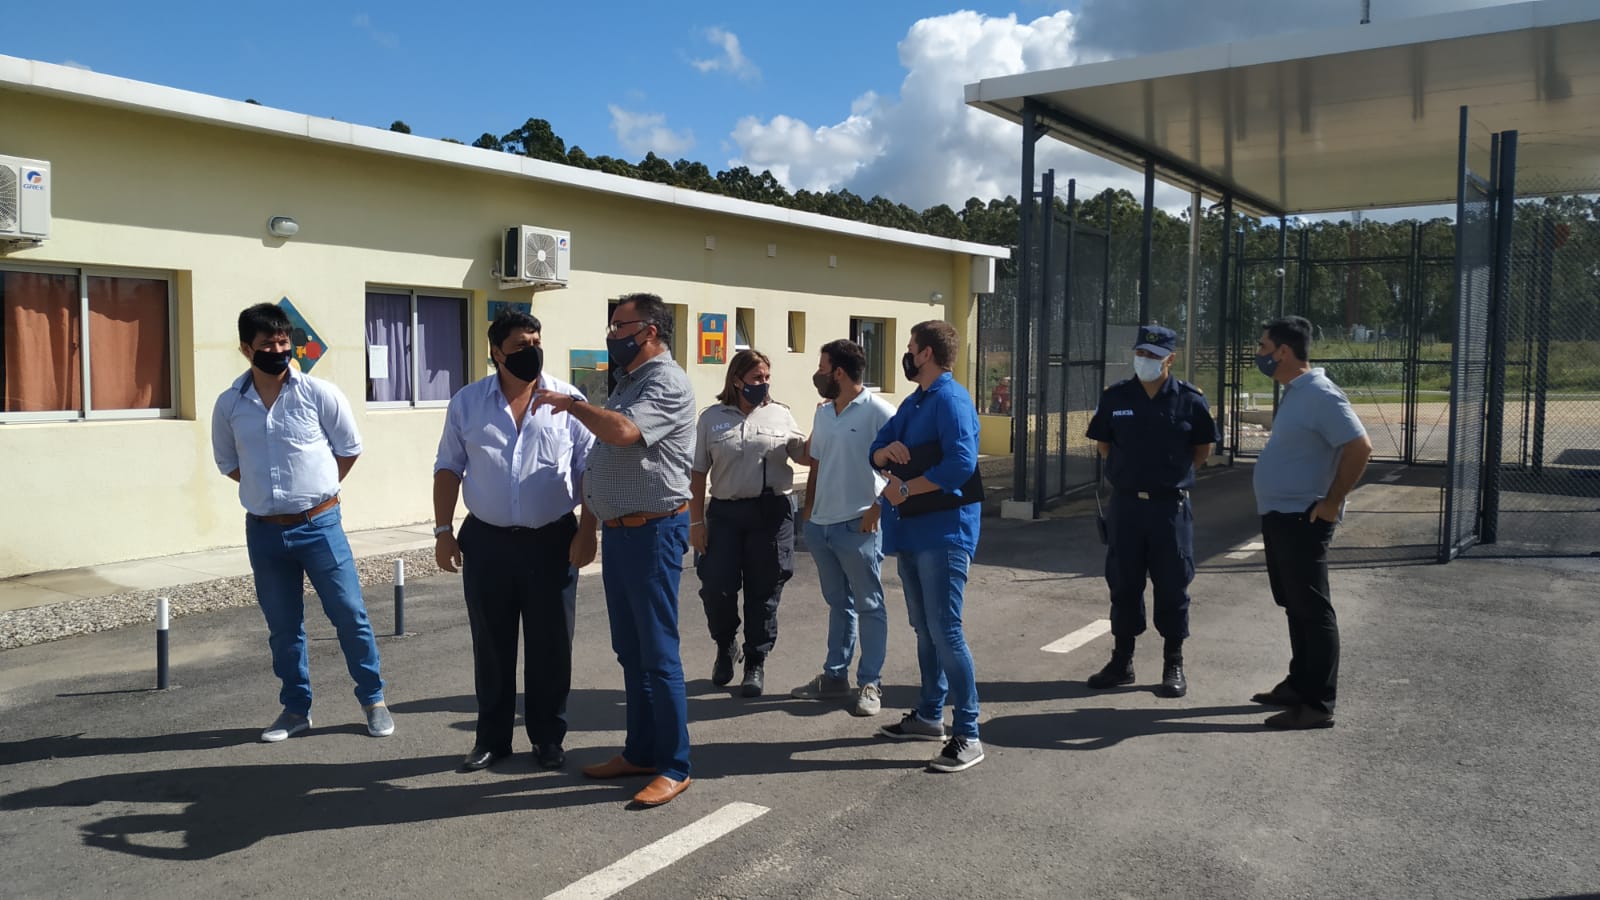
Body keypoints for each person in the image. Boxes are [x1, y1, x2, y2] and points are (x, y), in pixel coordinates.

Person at [532, 293, 694, 807]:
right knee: (632, 651)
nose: (610, 333)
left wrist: (576, 406)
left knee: (659, 653)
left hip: (654, 532)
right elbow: (602, 460)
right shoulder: (626, 382)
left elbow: (624, 434)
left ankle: (674, 765)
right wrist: (591, 525)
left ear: (648, 330)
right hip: (623, 534)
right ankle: (641, 751)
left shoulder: (667, 381)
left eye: (618, 324)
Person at [211, 302, 393, 743]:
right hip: (264, 531)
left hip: (320, 526)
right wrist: (271, 497)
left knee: (350, 615)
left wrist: (317, 491)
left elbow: (348, 449)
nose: (277, 349)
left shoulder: (319, 393)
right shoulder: (230, 404)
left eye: (282, 341)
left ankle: (373, 700)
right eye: (266, 344)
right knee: (283, 627)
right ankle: (295, 710)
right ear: (245, 348)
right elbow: (229, 463)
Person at [432, 308, 595, 773]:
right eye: (521, 346)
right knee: (491, 644)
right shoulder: (467, 403)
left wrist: (588, 530)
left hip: (553, 540)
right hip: (487, 541)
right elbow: (448, 466)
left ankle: (548, 738)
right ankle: (491, 740)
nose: (532, 351)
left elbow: (589, 470)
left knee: (551, 645)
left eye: (536, 341)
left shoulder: (568, 399)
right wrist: (444, 532)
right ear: (495, 354)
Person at [870, 320, 986, 773]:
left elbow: (960, 462)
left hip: (945, 532)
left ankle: (969, 732)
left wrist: (907, 489)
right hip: (913, 531)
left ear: (927, 353)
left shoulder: (952, 400)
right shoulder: (916, 401)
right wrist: (885, 454)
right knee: (924, 627)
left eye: (911, 348)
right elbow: (878, 446)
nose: (906, 354)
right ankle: (929, 715)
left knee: (946, 629)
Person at [1083, 325, 1218, 698]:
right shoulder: (1117, 397)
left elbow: (1202, 449)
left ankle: (1172, 663)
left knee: (1173, 584)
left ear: (1170, 360)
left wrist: (1169, 477)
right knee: (1124, 582)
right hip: (1126, 506)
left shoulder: (1190, 399)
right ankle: (1121, 661)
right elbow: (1105, 445)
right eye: (1141, 354)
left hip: (1169, 509)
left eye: (1154, 357)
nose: (1145, 361)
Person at [1251, 316, 1372, 729]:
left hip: (1304, 517)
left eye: (1264, 346)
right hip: (1280, 515)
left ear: (1284, 351)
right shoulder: (1295, 392)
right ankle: (1299, 684)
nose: (1260, 353)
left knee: (1312, 609)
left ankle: (1318, 704)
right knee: (1294, 605)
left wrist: (1333, 500)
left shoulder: (1320, 393)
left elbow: (1360, 446)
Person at [689, 349, 807, 698]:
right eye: (757, 378)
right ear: (737, 380)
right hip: (725, 514)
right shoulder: (711, 418)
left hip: (771, 514)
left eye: (767, 378)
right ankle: (726, 645)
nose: (763, 384)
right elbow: (697, 472)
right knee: (716, 587)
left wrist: (826, 427)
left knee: (765, 590)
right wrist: (696, 522)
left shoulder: (781, 415)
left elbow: (804, 455)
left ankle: (756, 660)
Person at [789, 339, 897, 716]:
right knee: (839, 604)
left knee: (869, 604)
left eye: (821, 368)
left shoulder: (880, 411)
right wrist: (808, 512)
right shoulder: (823, 412)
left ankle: (871, 683)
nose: (816, 375)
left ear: (838, 372)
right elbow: (816, 462)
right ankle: (835, 677)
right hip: (822, 526)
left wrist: (878, 506)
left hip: (858, 525)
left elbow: (901, 466)